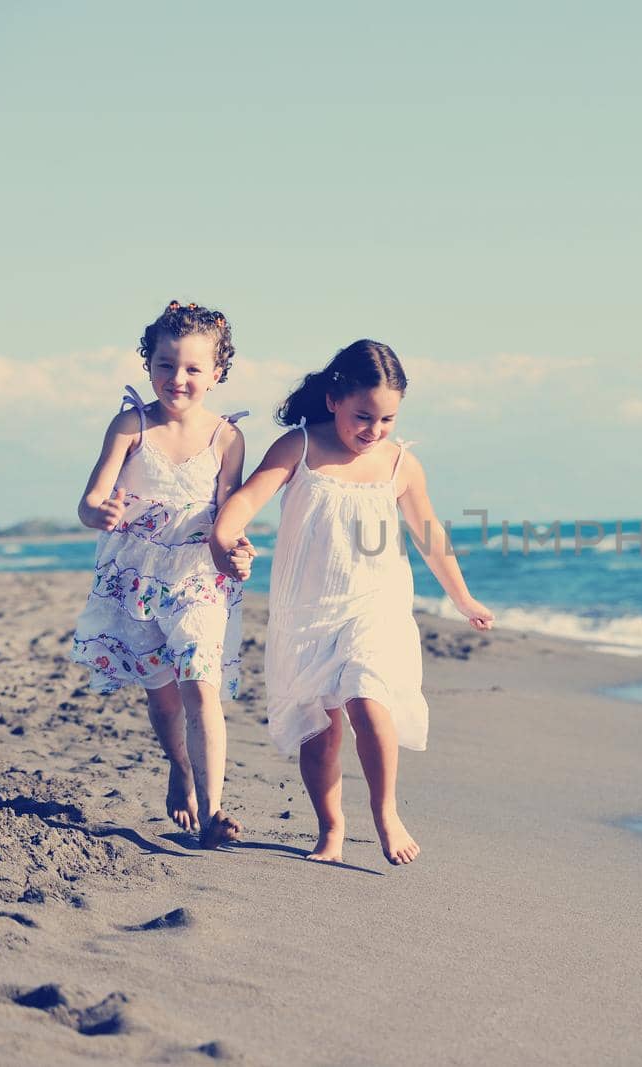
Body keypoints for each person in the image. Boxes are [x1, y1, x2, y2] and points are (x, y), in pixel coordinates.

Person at [210, 339, 493, 866]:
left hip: (375, 605)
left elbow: (431, 536)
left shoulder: (400, 464)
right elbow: (248, 498)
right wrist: (223, 539)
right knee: (320, 732)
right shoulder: (299, 447)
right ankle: (332, 828)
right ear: (336, 398)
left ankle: (385, 812)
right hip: (307, 611)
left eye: (387, 419)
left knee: (368, 696)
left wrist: (463, 598)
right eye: (365, 416)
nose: (375, 431)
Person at [71, 300, 253, 849]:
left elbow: (230, 515)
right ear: (148, 364)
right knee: (163, 697)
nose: (178, 378)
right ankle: (179, 764)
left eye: (194, 368)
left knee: (201, 685)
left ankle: (214, 809)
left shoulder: (227, 437)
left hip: (199, 576)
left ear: (217, 373)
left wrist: (240, 550)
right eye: (166, 364)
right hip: (136, 581)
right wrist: (98, 512)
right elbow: (88, 501)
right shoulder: (132, 424)